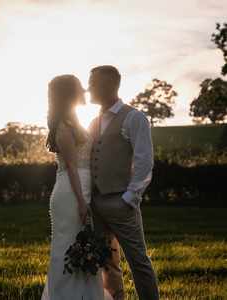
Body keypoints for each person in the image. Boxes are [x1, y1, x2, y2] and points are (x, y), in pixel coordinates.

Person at [88, 65, 160, 300]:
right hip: (97, 205)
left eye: (94, 83)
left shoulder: (134, 117)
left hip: (121, 202)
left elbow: (144, 161)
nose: (89, 88)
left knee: (139, 262)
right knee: (107, 262)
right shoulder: (94, 121)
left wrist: (130, 197)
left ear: (109, 85)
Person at [41, 74, 113, 300]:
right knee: (68, 246)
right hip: (71, 193)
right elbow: (72, 166)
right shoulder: (63, 126)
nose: (84, 90)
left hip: (81, 188)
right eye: (80, 88)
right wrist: (82, 202)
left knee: (82, 243)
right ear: (70, 94)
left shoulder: (74, 121)